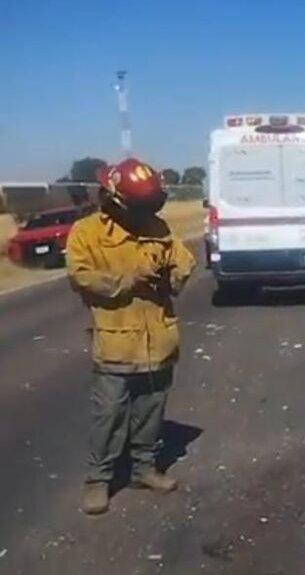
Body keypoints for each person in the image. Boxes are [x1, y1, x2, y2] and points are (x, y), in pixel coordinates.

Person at [66, 158, 197, 516]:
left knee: (150, 411)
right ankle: (99, 479)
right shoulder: (87, 232)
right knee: (109, 415)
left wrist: (174, 274)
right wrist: (129, 281)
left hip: (158, 339)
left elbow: (183, 263)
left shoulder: (158, 227)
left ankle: (144, 469)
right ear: (114, 199)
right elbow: (80, 276)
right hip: (116, 341)